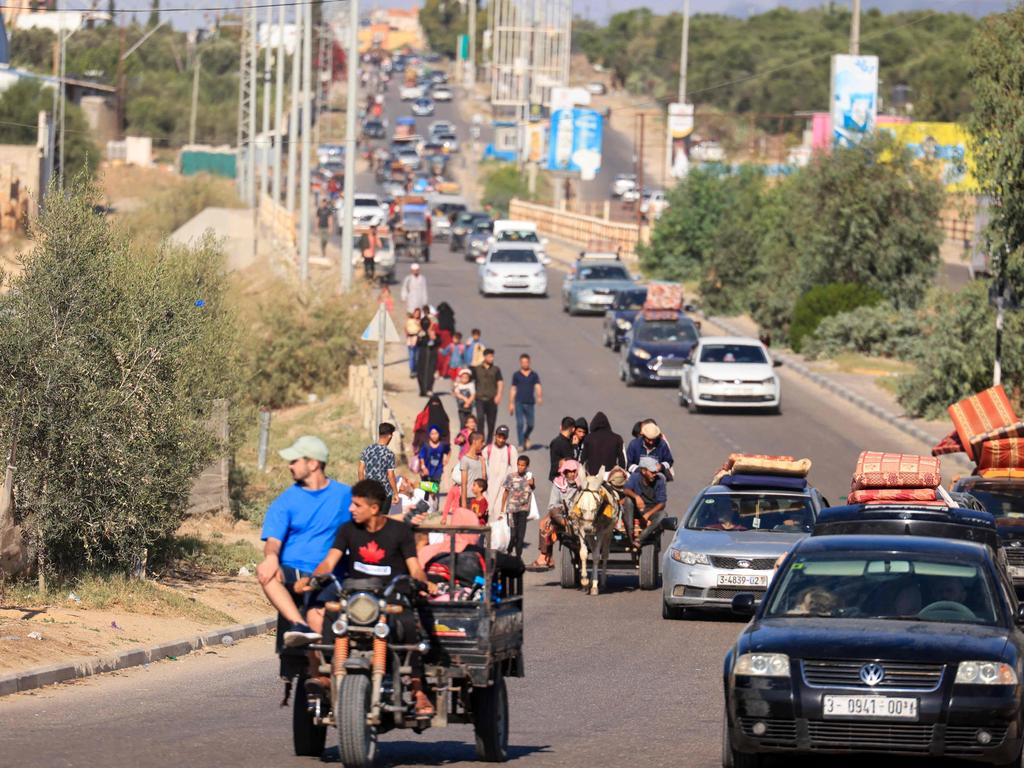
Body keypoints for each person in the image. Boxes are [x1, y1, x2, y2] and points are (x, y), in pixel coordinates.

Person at [297, 479, 435, 716]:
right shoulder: (348, 530)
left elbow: (414, 567)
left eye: (356, 505)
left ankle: (417, 689)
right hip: (356, 598)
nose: (351, 509)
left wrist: (424, 581)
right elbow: (329, 561)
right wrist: (312, 579)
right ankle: (326, 676)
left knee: (410, 625)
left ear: (373, 508)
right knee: (331, 615)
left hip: (391, 597)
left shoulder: (399, 532)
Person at [257, 436, 352, 646]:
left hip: (330, 573)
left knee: (320, 618)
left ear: (313, 463)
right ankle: (298, 624)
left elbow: (369, 521)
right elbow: (273, 540)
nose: (289, 466)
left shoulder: (345, 495)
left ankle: (323, 675)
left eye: (294, 461)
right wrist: (271, 558)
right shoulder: (286, 500)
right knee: (265, 572)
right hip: (293, 572)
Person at [529, 458, 580, 570]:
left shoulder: (583, 484)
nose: (571, 474)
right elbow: (553, 505)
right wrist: (562, 516)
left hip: (580, 518)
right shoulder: (558, 484)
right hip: (562, 516)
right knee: (545, 525)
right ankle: (545, 557)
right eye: (568, 471)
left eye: (573, 471)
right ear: (564, 472)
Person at [620, 457, 667, 544]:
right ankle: (630, 535)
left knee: (663, 515)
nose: (655, 474)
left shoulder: (660, 480)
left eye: (656, 472)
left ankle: (640, 539)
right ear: (644, 471)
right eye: (652, 472)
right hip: (635, 510)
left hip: (650, 511)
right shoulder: (635, 477)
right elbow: (626, 489)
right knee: (628, 500)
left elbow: (662, 503)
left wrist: (648, 514)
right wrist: (636, 497)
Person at [358, 422, 400, 508]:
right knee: (382, 519)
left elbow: (360, 470)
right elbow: (390, 475)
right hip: (384, 493)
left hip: (369, 492)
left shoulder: (367, 449)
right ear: (389, 436)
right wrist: (396, 493)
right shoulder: (389, 454)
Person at [502, 455, 535, 559]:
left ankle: (518, 557)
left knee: (520, 536)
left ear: (527, 466)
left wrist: (532, 483)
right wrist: (502, 508)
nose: (520, 467)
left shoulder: (529, 478)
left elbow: (532, 489)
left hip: (523, 510)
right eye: (519, 465)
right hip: (511, 510)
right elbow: (506, 492)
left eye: (523, 465)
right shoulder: (511, 476)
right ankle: (509, 551)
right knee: (512, 535)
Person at [508, 354, 542, 451]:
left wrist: (539, 397)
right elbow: (513, 389)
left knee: (531, 424)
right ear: (520, 363)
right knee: (520, 423)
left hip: (530, 402)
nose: (525, 364)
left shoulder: (534, 375)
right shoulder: (516, 375)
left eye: (526, 362)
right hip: (519, 402)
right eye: (523, 362)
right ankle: (521, 444)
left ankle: (525, 436)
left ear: (529, 362)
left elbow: (538, 386)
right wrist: (511, 403)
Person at [483, 425, 518, 512]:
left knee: (500, 514)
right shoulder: (487, 449)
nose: (501, 440)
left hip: (503, 489)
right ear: (495, 435)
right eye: (499, 437)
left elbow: (515, 470)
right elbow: (482, 469)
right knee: (487, 511)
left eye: (504, 438)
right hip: (489, 488)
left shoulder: (511, 449)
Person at [472, 348, 504, 443]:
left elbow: (500, 382)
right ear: (485, 357)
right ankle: (480, 440)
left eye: (492, 356)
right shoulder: (477, 369)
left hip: (492, 399)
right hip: (480, 399)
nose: (491, 358)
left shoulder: (496, 369)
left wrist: (499, 395)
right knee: (480, 419)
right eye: (490, 356)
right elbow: (471, 381)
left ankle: (489, 442)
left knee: (491, 422)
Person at [582, 411, 624, 477]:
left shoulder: (588, 438)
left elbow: (583, 459)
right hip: (610, 477)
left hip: (593, 478)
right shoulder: (617, 438)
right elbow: (622, 459)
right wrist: (622, 473)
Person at [417, 426, 450, 490]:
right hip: (427, 469)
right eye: (432, 434)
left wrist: (446, 459)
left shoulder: (442, 445)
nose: (434, 436)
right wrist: (423, 467)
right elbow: (421, 456)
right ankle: (427, 496)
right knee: (425, 489)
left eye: (436, 433)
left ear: (439, 434)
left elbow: (449, 451)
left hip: (438, 470)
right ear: (429, 434)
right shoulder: (426, 445)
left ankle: (432, 496)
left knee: (435, 488)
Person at [549, 416, 576, 481]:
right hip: (562, 478)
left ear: (561, 427)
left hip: (556, 476)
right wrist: (574, 446)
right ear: (573, 429)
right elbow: (571, 461)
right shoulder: (565, 443)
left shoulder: (555, 441)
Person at [416, 326, 440, 397]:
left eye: (432, 330)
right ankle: (422, 390)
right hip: (422, 358)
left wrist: (434, 338)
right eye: (429, 330)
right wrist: (419, 337)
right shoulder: (423, 336)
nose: (430, 331)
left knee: (430, 374)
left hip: (432, 359)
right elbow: (418, 344)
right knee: (420, 374)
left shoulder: (436, 337)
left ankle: (429, 389)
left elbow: (439, 342)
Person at [405, 309, 423, 378]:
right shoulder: (410, 321)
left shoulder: (420, 321)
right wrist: (407, 334)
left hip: (417, 340)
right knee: (412, 356)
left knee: (417, 357)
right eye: (416, 313)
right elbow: (406, 328)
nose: (417, 315)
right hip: (410, 339)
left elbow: (421, 329)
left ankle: (416, 370)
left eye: (418, 313)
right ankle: (412, 370)